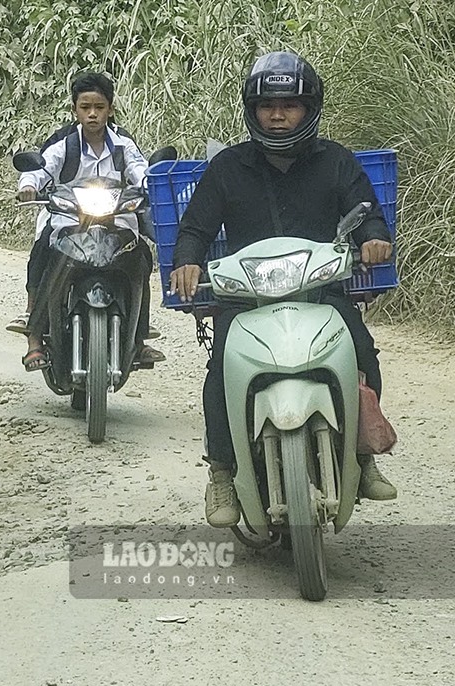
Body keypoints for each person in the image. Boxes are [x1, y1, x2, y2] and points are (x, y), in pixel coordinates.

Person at [168, 51, 397, 528]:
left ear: (309, 107)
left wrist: (374, 237)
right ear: (251, 110)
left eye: (289, 105)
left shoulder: (336, 161)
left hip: (321, 292)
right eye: (267, 105)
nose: (277, 115)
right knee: (219, 373)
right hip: (247, 301)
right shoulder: (229, 167)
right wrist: (187, 261)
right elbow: (195, 227)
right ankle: (223, 474)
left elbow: (366, 209)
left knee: (362, 354)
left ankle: (362, 453)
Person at [11, 72, 165, 370]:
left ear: (110, 108)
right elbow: (42, 168)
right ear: (75, 109)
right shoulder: (63, 143)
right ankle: (34, 334)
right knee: (45, 248)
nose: (92, 114)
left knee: (141, 255)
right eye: (85, 107)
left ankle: (139, 337)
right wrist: (28, 186)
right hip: (68, 220)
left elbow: (139, 168)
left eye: (99, 106)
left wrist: (150, 184)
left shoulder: (123, 144)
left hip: (115, 221)